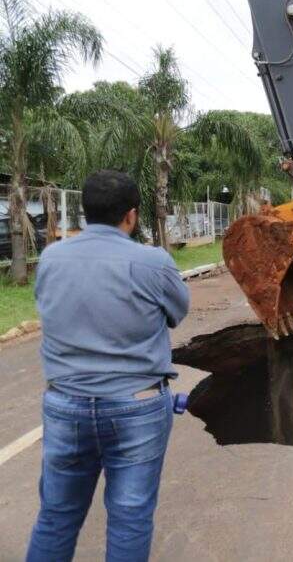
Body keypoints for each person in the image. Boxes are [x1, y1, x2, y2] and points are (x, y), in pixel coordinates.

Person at [27, 170, 190, 562]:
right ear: (131, 216)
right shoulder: (153, 262)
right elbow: (177, 312)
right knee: (130, 516)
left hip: (66, 406)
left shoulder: (51, 257)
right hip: (137, 407)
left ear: (85, 211)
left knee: (56, 516)